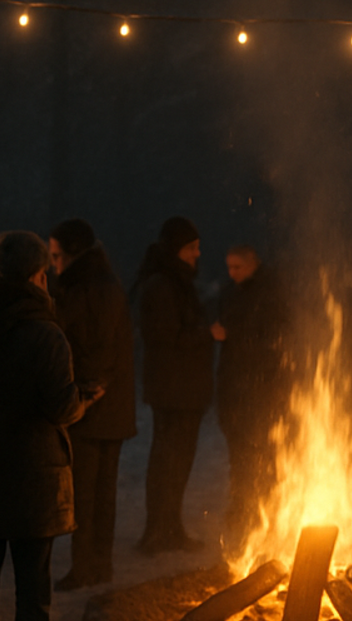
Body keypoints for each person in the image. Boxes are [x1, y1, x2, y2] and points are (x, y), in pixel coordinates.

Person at [0, 231, 101, 621]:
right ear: (36, 277)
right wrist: (84, 398)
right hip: (35, 483)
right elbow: (61, 408)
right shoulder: (47, 337)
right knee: (33, 593)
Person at [47, 219, 136, 590]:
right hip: (110, 407)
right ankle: (100, 566)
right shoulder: (105, 283)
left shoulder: (85, 288)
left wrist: (86, 390)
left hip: (93, 407)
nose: (52, 264)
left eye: (55, 256)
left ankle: (86, 569)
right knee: (102, 494)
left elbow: (95, 345)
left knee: (86, 493)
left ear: (72, 253)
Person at [134, 216, 215, 555]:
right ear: (175, 249)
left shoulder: (177, 282)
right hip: (173, 391)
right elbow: (166, 337)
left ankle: (171, 528)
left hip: (184, 390)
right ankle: (157, 532)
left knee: (178, 462)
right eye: (191, 248)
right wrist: (209, 334)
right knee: (167, 462)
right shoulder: (162, 285)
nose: (197, 254)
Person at [211, 245, 291, 545]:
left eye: (237, 268)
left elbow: (271, 336)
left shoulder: (270, 293)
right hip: (236, 388)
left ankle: (268, 515)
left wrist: (233, 334)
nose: (232, 274)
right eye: (229, 268)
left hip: (262, 390)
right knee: (241, 460)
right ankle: (243, 515)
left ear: (252, 264)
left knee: (265, 458)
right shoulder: (233, 293)